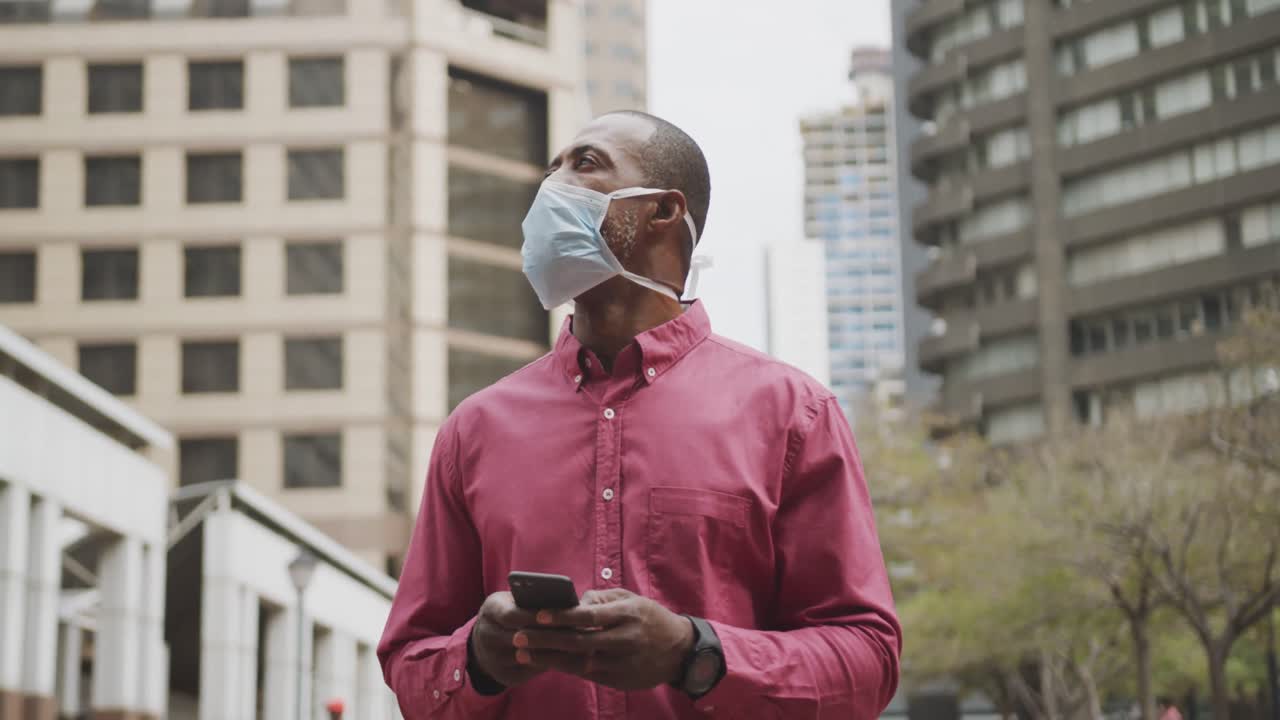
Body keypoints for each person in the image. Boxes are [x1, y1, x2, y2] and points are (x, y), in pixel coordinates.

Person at [378, 110, 901, 719]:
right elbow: (411, 661)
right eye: (553, 171)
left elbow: (867, 661)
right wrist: (478, 660)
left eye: (586, 164)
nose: (551, 190)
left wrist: (694, 653)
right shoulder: (474, 430)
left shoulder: (793, 416)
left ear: (664, 210)